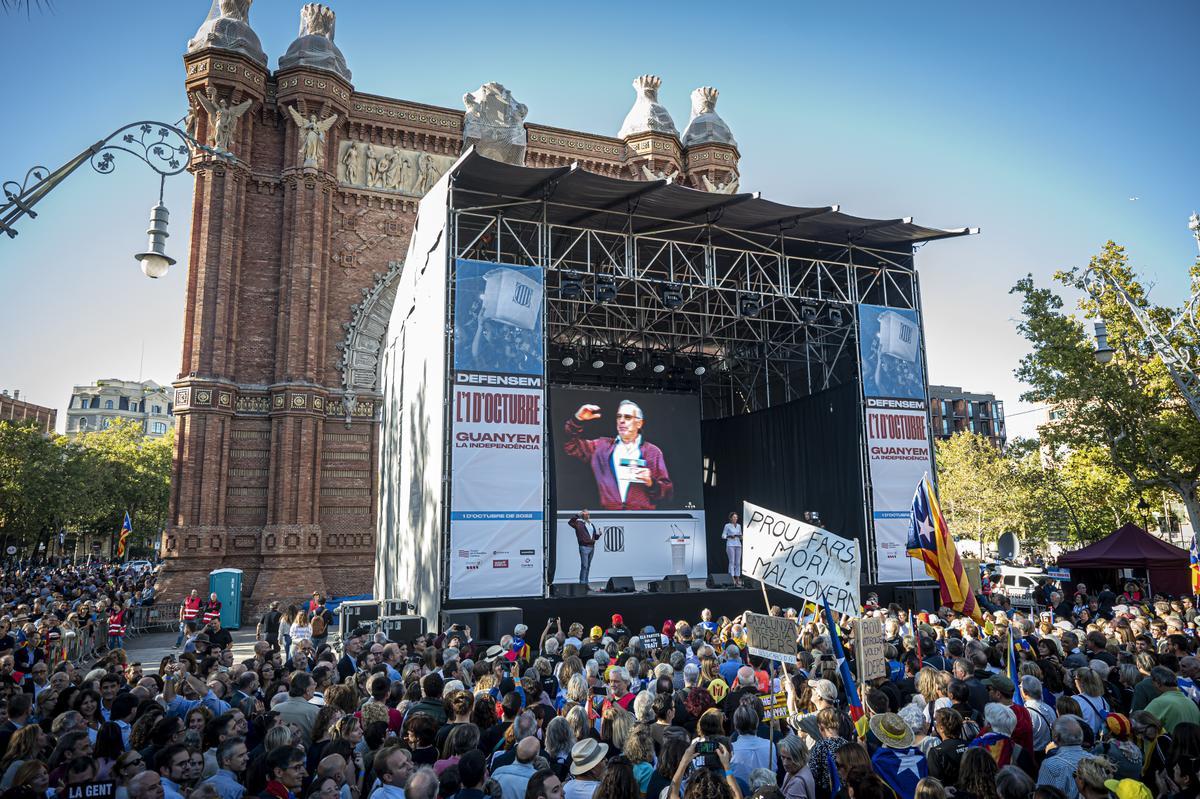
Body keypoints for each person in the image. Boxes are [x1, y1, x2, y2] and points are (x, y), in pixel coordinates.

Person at [563, 401, 674, 511]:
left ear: (639, 423)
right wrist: (577, 420)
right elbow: (570, 446)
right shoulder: (601, 447)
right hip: (609, 518)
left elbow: (667, 493)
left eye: (628, 417)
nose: (621, 421)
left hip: (641, 519)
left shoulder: (652, 452)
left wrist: (651, 482)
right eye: (619, 417)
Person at [567, 510, 603, 587]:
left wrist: (599, 535)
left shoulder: (591, 524)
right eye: (586, 513)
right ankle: (582, 584)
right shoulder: (579, 523)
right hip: (584, 547)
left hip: (592, 547)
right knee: (584, 566)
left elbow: (594, 537)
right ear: (582, 515)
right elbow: (570, 522)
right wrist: (577, 515)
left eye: (588, 514)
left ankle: (586, 584)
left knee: (588, 566)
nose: (588, 515)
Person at [722, 513, 743, 588]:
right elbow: (723, 536)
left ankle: (737, 579)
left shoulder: (739, 526)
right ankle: (732, 579)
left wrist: (741, 537)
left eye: (736, 517)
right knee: (732, 562)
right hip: (730, 545)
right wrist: (729, 536)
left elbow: (740, 535)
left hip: (738, 545)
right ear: (731, 518)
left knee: (738, 562)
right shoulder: (727, 525)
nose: (735, 518)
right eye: (734, 517)